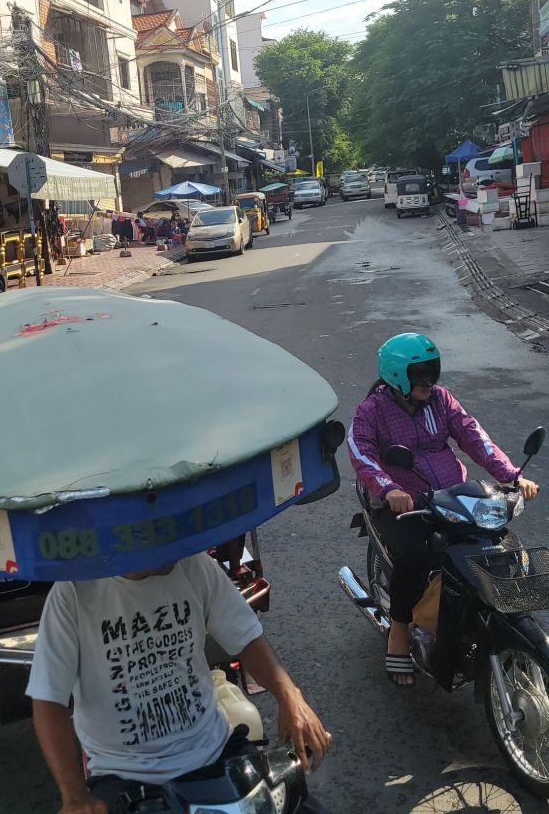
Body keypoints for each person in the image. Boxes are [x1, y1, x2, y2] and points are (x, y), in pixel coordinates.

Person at [27, 552, 332, 814]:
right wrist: (74, 795)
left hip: (215, 749)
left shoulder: (194, 565)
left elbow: (247, 639)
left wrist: (291, 697)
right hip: (124, 772)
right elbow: (49, 699)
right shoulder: (72, 592)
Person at [348, 332, 539, 687]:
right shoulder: (371, 411)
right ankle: (399, 632)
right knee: (414, 558)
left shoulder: (441, 400)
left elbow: (474, 436)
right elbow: (361, 452)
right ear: (398, 376)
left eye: (431, 371)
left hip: (451, 498)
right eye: (420, 374)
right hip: (404, 503)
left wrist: (512, 476)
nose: (428, 381)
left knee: (498, 544)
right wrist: (389, 489)